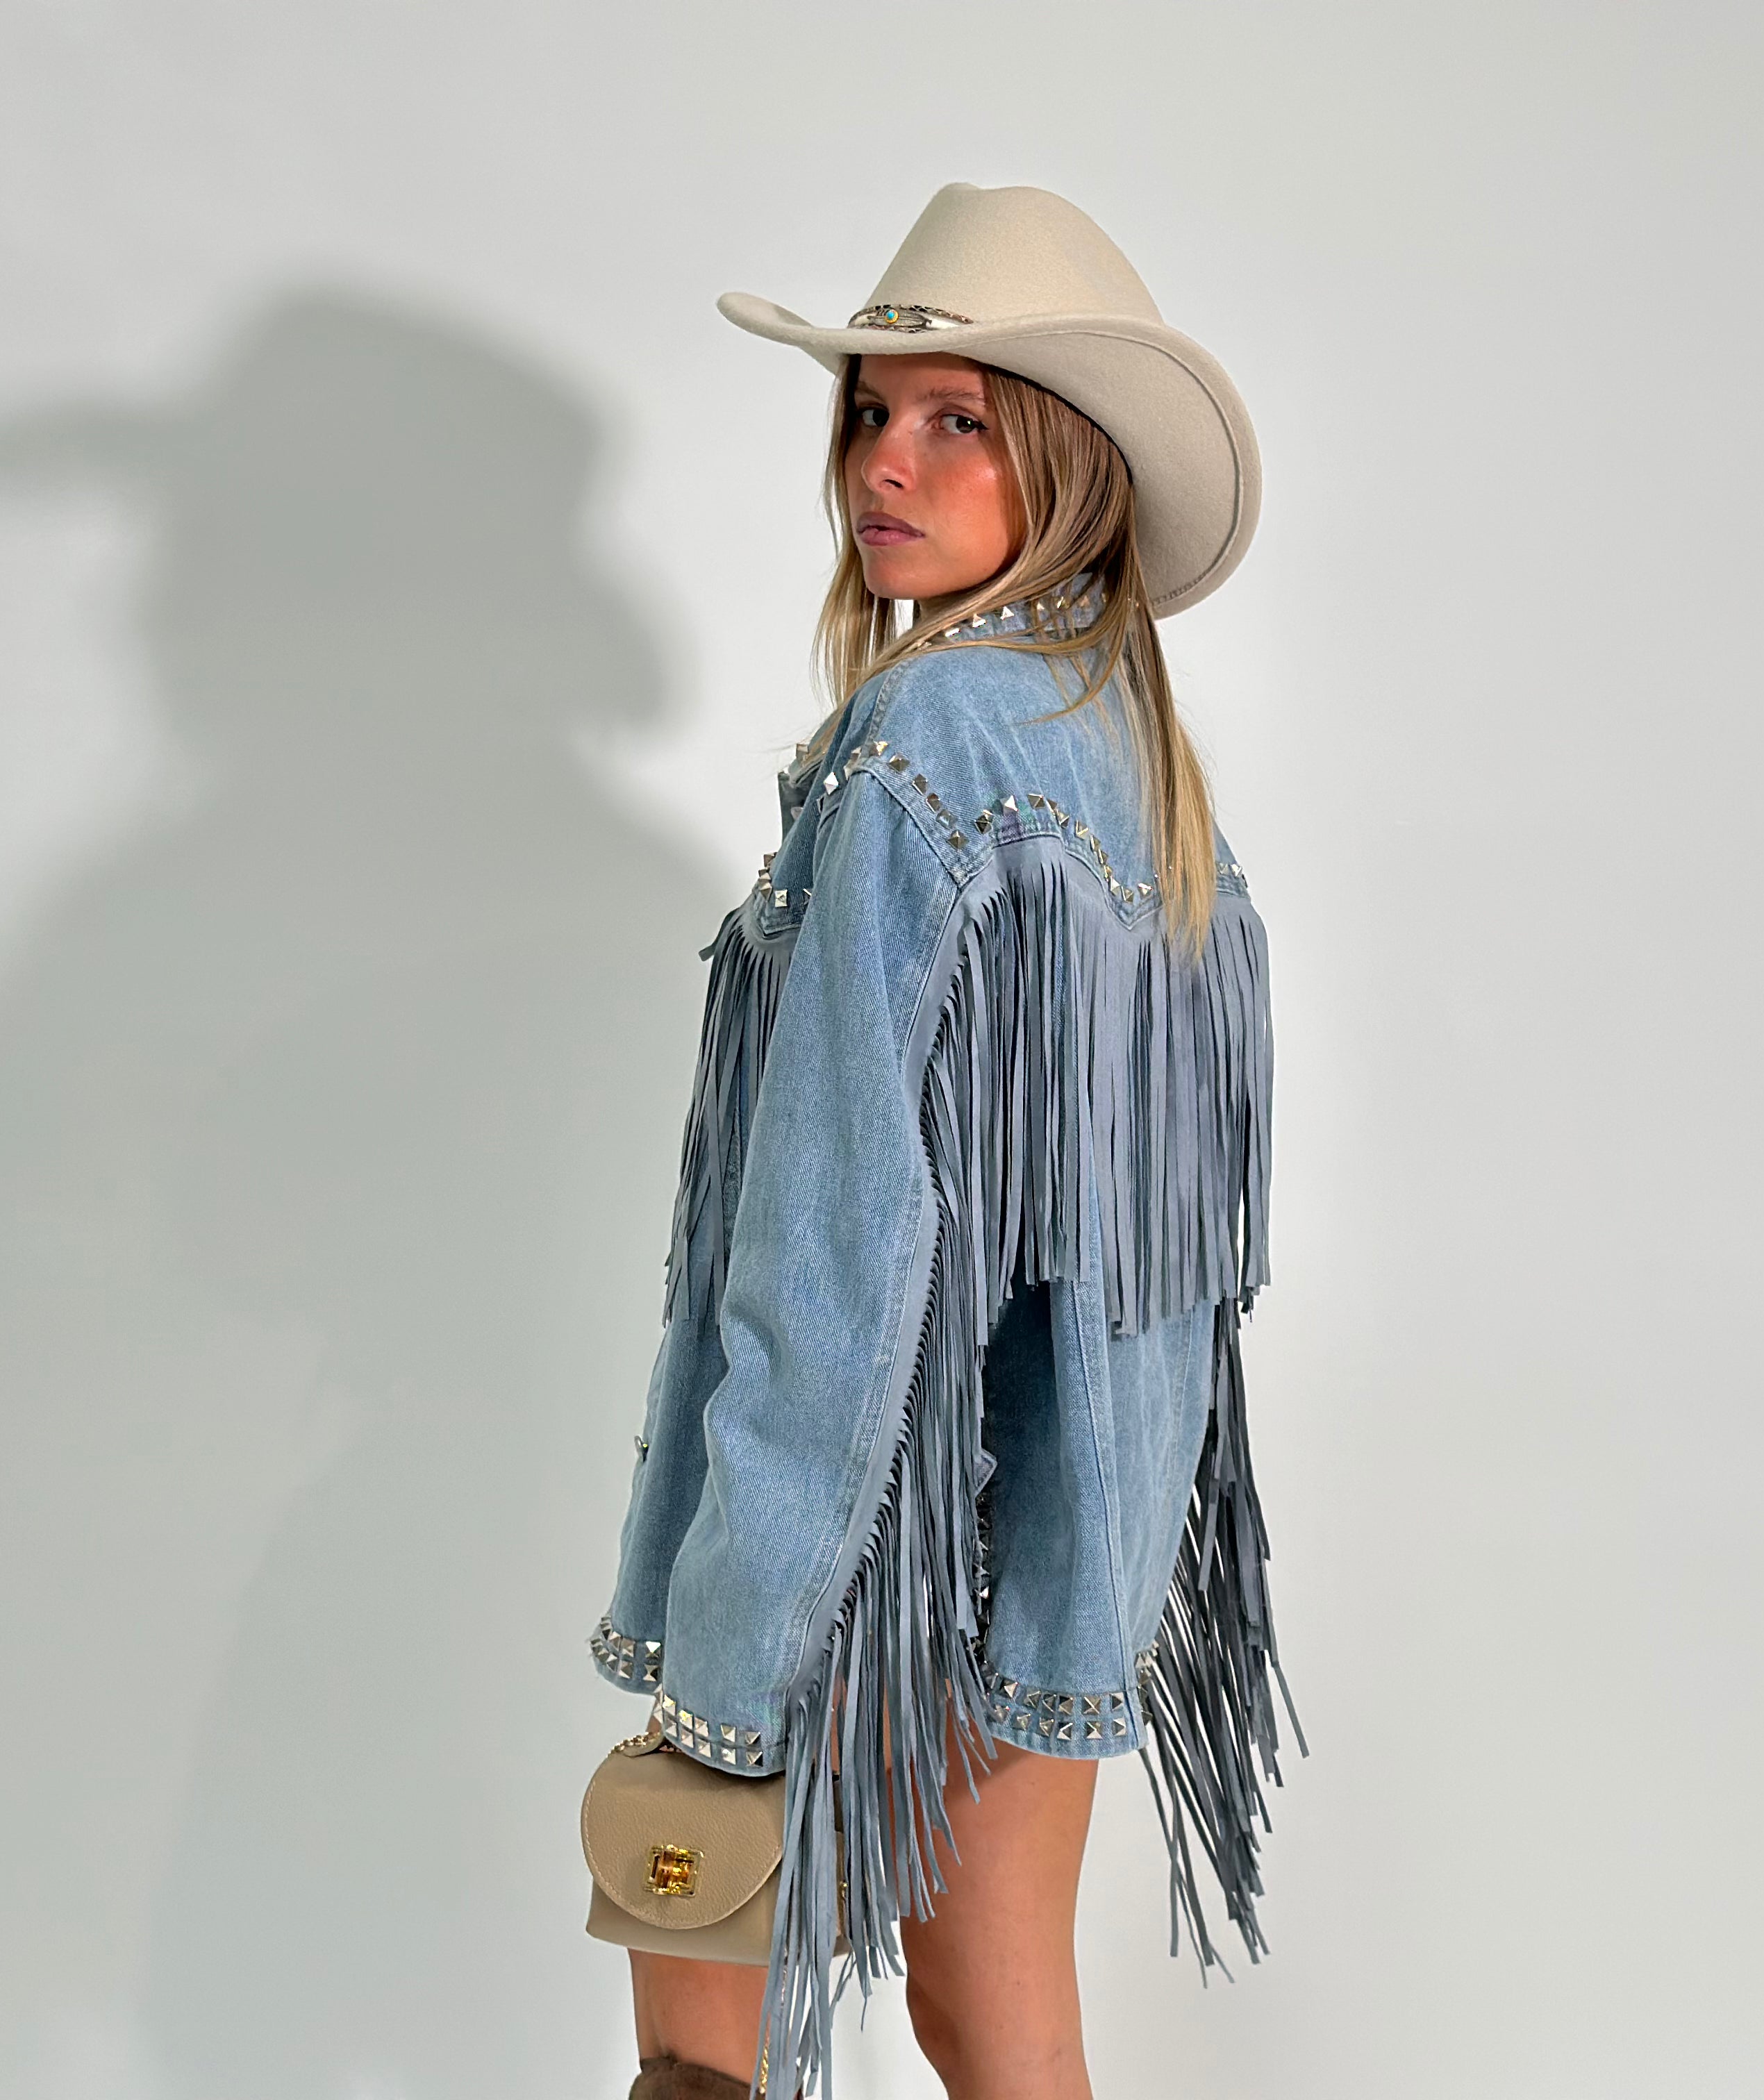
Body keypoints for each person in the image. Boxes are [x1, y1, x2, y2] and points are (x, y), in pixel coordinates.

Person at [592, 183, 1297, 2100]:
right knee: (1002, 2021)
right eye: (867, 414)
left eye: (957, 420)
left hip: (858, 1545)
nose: (881, 467)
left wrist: (736, 1636)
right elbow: (1179, 1259)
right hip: (1065, 1541)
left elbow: (838, 1245)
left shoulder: (916, 755)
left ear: (1071, 466)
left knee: (698, 2021)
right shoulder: (1141, 773)